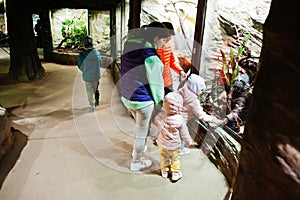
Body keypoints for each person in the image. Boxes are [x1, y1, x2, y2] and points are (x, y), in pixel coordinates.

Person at [120, 21, 169, 172]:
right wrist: (161, 104)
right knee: (142, 130)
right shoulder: (150, 57)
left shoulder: (129, 46)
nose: (163, 45)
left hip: (126, 95)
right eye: (163, 40)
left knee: (139, 126)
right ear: (155, 38)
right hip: (142, 99)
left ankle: (138, 149)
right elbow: (156, 85)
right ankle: (136, 161)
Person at [177, 74, 226, 155]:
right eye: (200, 90)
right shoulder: (193, 100)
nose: (201, 92)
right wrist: (214, 120)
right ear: (195, 88)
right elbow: (201, 115)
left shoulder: (183, 89)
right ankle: (180, 150)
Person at [156, 92, 193, 181]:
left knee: (163, 157)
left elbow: (156, 122)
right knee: (175, 159)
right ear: (180, 107)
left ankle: (164, 171)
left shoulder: (161, 116)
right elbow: (184, 134)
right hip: (174, 146)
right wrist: (188, 141)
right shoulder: (180, 120)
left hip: (162, 144)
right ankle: (175, 173)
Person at [157, 22, 187, 96]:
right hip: (157, 83)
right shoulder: (153, 48)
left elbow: (172, 62)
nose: (169, 38)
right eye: (167, 36)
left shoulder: (168, 47)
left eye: (170, 36)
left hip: (168, 82)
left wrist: (180, 71)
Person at [78, 36, 102, 112]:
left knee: (89, 91)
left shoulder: (82, 54)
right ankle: (97, 100)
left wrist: (85, 70)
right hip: (96, 75)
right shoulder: (96, 52)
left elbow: (80, 66)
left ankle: (92, 106)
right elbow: (100, 63)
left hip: (87, 76)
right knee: (95, 89)